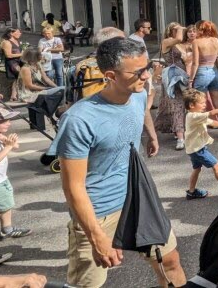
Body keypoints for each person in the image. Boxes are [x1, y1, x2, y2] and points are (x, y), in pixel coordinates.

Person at [55, 38, 185, 287]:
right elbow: (73, 187)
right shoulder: (79, 120)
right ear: (111, 75)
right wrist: (96, 236)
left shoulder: (137, 94)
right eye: (138, 72)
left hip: (138, 200)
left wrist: (152, 135)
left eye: (147, 67)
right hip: (99, 212)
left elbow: (143, 109)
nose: (146, 76)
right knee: (86, 285)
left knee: (170, 262)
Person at [182, 90, 218, 199]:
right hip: (197, 150)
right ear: (191, 105)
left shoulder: (197, 116)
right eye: (202, 103)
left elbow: (212, 122)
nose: (205, 105)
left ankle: (191, 192)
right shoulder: (193, 116)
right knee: (216, 165)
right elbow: (213, 113)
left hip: (194, 148)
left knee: (197, 169)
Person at [0, 115, 32, 240]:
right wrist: (8, 146)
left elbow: (16, 146)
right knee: (4, 207)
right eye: (5, 121)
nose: (9, 123)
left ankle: (7, 229)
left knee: (5, 203)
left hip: (0, 178)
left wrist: (7, 141)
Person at [187, 20, 218, 139]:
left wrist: (191, 79)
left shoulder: (196, 42)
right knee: (217, 104)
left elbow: (195, 63)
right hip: (215, 72)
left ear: (200, 29)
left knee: (200, 105)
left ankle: (202, 133)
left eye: (196, 29)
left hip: (202, 72)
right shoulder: (216, 41)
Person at [156, 23, 190, 150]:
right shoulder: (167, 41)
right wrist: (181, 29)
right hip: (172, 77)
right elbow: (180, 38)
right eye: (177, 29)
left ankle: (178, 130)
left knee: (181, 105)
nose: (180, 31)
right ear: (171, 31)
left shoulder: (176, 44)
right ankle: (181, 137)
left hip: (181, 75)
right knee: (176, 105)